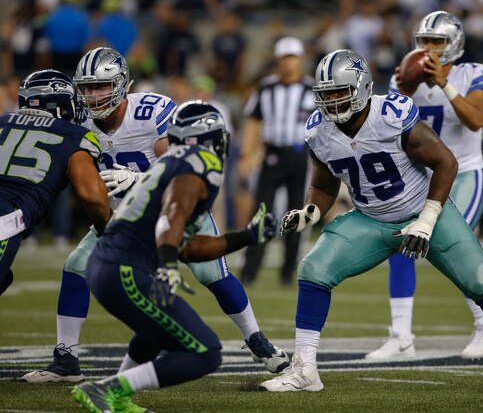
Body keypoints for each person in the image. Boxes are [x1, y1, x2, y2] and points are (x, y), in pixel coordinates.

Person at [259, 49, 483, 392]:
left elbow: (446, 162)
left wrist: (427, 218)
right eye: (325, 94)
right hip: (371, 219)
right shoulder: (319, 130)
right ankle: (305, 370)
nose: (331, 102)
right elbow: (323, 184)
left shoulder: (390, 115)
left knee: (480, 282)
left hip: (424, 211)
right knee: (313, 268)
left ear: (361, 88)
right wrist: (310, 213)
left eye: (338, 92)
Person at [23, 47, 288, 383]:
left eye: (100, 86)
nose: (92, 95)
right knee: (75, 267)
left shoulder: (150, 111)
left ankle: (255, 338)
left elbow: (182, 163)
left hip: (176, 206)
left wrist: (137, 179)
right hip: (124, 216)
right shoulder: (80, 120)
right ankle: (66, 358)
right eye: (87, 88)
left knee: (212, 274)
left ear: (121, 84)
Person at [72, 101, 279, 412]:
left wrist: (248, 236)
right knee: (206, 353)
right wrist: (168, 265)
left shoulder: (169, 164)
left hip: (110, 265)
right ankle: (108, 389)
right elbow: (173, 215)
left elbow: (189, 247)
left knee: (154, 333)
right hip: (125, 269)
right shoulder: (200, 163)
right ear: (216, 139)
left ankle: (114, 397)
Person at [367, 11, 483, 361]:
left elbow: (475, 120)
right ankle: (401, 335)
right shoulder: (405, 77)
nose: (428, 48)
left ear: (453, 44)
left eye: (436, 42)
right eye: (424, 41)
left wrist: (443, 82)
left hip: (466, 173)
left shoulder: (473, 72)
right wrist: (406, 89)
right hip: (424, 177)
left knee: (455, 247)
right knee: (401, 245)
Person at [0, 69, 110, 296]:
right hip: (4, 221)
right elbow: (92, 197)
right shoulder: (74, 135)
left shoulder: (2, 120)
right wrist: (105, 228)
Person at [238, 36, 316, 286]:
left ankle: (287, 273)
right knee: (260, 212)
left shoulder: (311, 88)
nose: (288, 63)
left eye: (292, 57)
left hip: (299, 155)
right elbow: (253, 120)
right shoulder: (266, 87)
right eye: (284, 57)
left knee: (296, 213)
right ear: (277, 60)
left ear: (301, 59)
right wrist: (246, 155)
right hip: (272, 154)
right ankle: (250, 271)